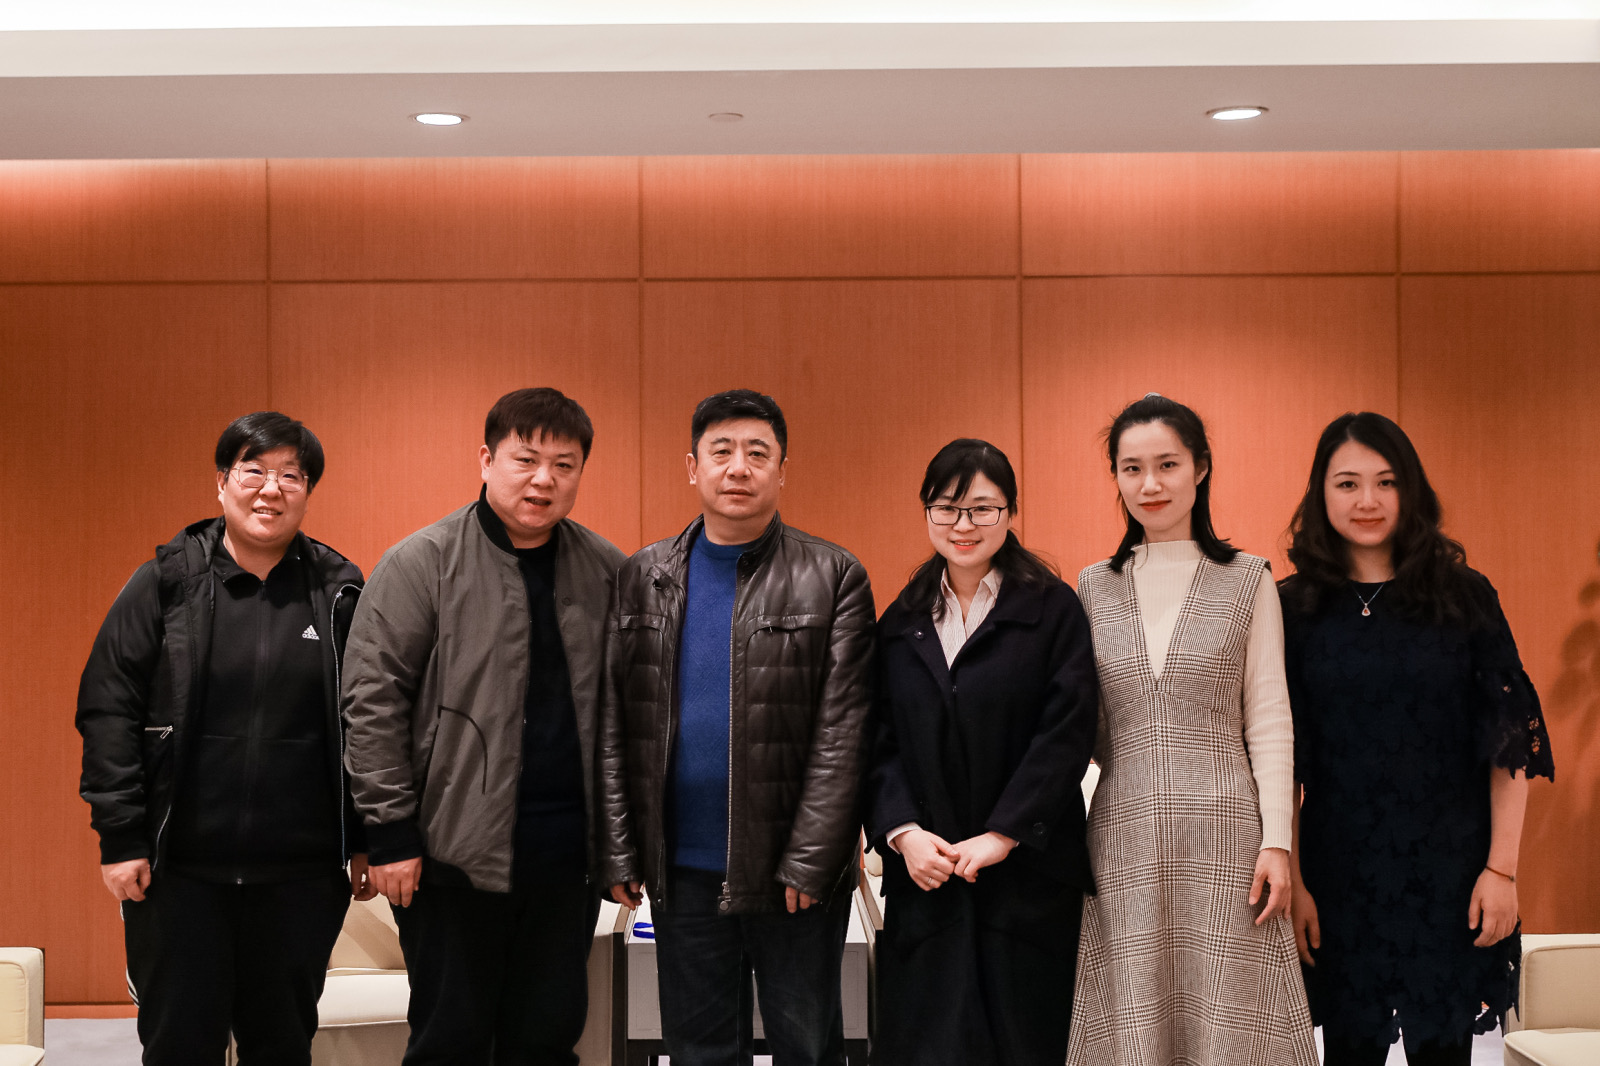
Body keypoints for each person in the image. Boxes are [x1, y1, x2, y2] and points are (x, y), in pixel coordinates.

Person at [341, 387, 625, 1066]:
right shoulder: (422, 563)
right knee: (450, 1044)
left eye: (564, 465)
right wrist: (390, 835)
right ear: (486, 460)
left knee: (546, 1042)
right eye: (525, 459)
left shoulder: (609, 570)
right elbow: (371, 705)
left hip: (565, 863)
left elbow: (630, 717)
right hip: (449, 860)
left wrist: (623, 850)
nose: (543, 479)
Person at [76, 411, 370, 1065]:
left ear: (308, 490)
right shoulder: (165, 582)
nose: (271, 489)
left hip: (298, 880)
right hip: (178, 875)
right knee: (180, 1047)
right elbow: (108, 709)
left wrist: (366, 836)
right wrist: (120, 837)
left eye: (291, 475)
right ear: (222, 481)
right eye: (253, 471)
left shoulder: (339, 593)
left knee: (282, 1047)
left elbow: (368, 723)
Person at [597, 388, 876, 1066]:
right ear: (693, 467)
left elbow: (844, 736)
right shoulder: (644, 575)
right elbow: (615, 726)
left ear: (782, 469)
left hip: (792, 875)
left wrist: (811, 860)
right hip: (682, 870)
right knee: (697, 1051)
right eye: (721, 451)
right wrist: (620, 850)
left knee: (806, 1048)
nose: (739, 468)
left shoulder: (833, 575)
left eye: (758, 453)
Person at [1280, 412, 1553, 1066]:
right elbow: (1280, 757)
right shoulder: (1293, 606)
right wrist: (1296, 882)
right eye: (1347, 483)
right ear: (1321, 494)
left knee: (1444, 1051)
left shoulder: (1464, 596)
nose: (1367, 501)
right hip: (1339, 873)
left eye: (1386, 481)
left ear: (1412, 490)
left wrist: (1502, 871)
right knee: (1348, 1051)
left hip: (1452, 871)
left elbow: (1508, 743)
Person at [1067, 394, 1317, 1066]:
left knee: (1229, 1022)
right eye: (1132, 469)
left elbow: (1270, 719)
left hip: (1228, 835)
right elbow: (1075, 727)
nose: (1150, 484)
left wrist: (1277, 842)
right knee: (1134, 1020)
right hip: (1122, 834)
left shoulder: (1247, 579)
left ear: (1200, 468)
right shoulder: (1092, 587)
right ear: (1116, 477)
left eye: (1167, 465)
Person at [863, 439, 1099, 1066]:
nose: (963, 525)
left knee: (1025, 1042)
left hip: (1026, 877)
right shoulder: (901, 620)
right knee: (927, 1045)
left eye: (983, 509)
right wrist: (904, 834)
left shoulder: (1053, 609)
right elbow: (877, 740)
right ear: (927, 512)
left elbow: (1066, 733)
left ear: (1010, 512)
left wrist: (1002, 835)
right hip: (929, 875)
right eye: (947, 508)